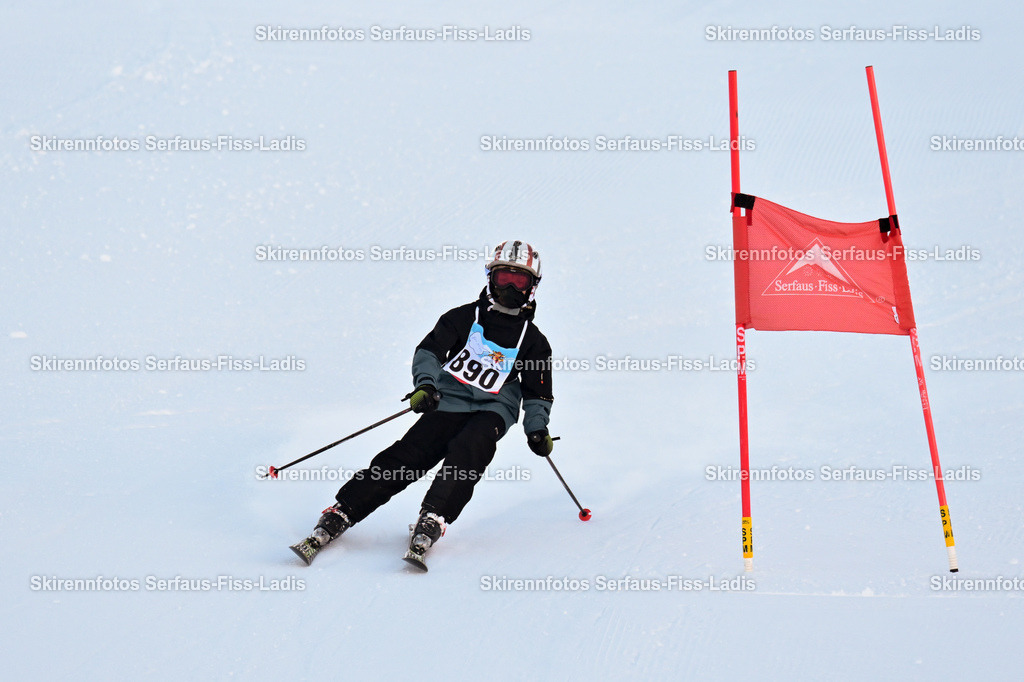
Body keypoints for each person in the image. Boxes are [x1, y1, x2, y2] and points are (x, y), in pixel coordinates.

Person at [290, 240, 555, 568]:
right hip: (450, 400)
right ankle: (343, 510)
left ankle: (434, 516)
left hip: (494, 408)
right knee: (412, 453)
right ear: (490, 278)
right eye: (504, 279)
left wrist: (536, 429)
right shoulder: (462, 318)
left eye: (520, 281)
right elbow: (429, 352)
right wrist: (425, 386)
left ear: (533, 287)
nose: (511, 288)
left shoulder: (534, 341)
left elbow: (537, 393)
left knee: (473, 444)